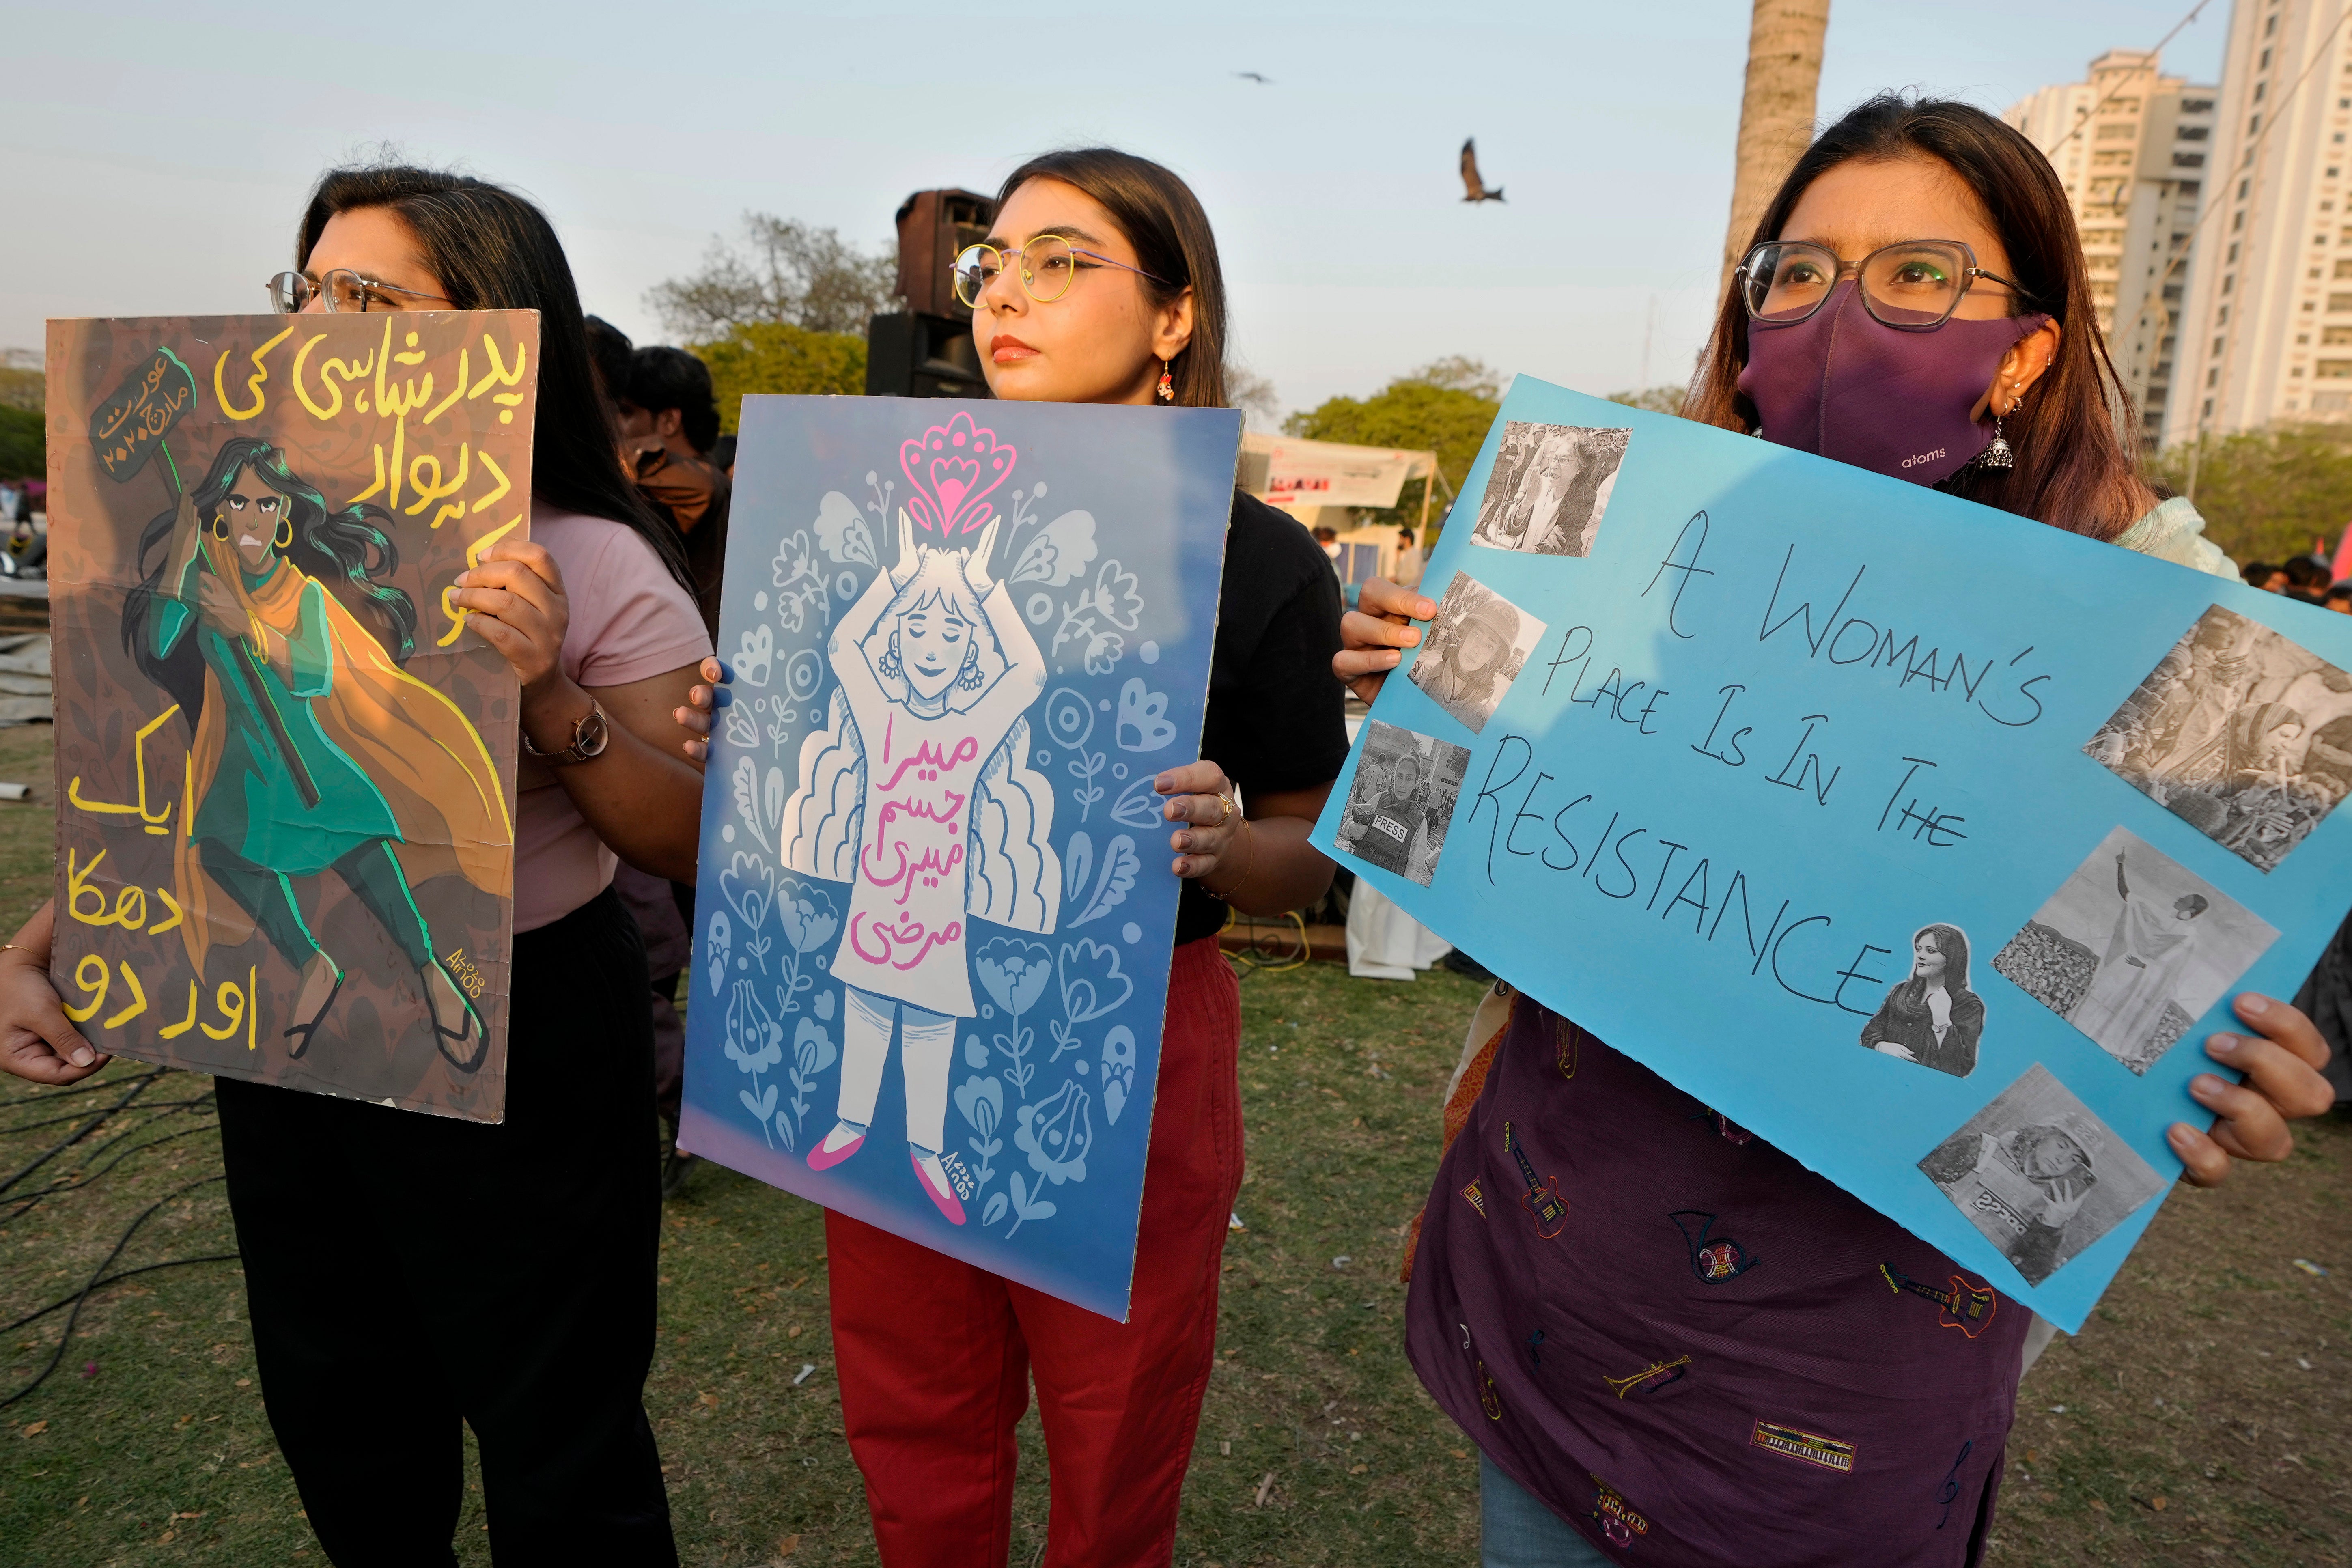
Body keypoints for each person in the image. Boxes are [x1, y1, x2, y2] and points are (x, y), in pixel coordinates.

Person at [1335, 95, 2335, 1568]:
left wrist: (2202, 1065)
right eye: (1796, 273)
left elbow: (2150, 990)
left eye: (1918, 274)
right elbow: (1488, 834)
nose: (1842, 317)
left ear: (2027, 347)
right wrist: (1426, 687)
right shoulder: (1643, 524)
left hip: (1837, 1397)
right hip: (1551, 1283)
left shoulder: (2178, 621)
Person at [1, 164, 713, 1565]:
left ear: (491, 328)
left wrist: (546, 691)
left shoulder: (589, 556)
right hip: (293, 1033)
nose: (318, 325)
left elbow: (688, 832)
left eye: (371, 298)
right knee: (344, 1415)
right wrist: (48, 939)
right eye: (308, 288)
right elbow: (198, 772)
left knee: (560, 1436)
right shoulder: (240, 528)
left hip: (525, 1032)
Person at [682, 147, 1345, 1567]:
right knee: (911, 1402)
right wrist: (732, 723)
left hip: (1130, 1045)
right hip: (878, 970)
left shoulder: (1260, 557)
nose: (1005, 294)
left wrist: (1231, 846)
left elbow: (1312, 847)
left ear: (1174, 315)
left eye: (1062, 261)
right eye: (992, 263)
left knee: (1117, 1422)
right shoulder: (859, 518)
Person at [125, 436, 504, 1062]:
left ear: (283, 514)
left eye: (266, 503)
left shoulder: (301, 591)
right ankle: (312, 965)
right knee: (221, 852)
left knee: (360, 852)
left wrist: (247, 626)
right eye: (239, 502)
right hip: (246, 764)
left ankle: (433, 973)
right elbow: (161, 643)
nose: (252, 516)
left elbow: (314, 673)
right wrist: (182, 559)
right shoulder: (206, 579)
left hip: (308, 755)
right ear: (221, 512)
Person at [618, 345, 732, 642]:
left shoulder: (701, 485)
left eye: (626, 413)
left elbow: (705, 486)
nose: (615, 424)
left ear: (669, 420)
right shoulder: (659, 484)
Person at [2070, 852, 2206, 1066]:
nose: (2179, 899)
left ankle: (2104, 1044)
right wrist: (2120, 865)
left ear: (2191, 910)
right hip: (2129, 963)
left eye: (2185, 900)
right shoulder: (2158, 915)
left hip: (2143, 973)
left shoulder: (2188, 935)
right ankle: (2081, 1030)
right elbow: (2128, 895)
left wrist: (2144, 965)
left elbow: (2170, 965)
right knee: (2102, 993)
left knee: (2121, 1004)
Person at [1859, 923, 1984, 1077]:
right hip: (1882, 1072)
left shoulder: (1967, 1004)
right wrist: (1882, 1047)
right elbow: (1871, 1032)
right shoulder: (1902, 991)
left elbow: (1961, 1067)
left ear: (1951, 958)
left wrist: (1943, 1021)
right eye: (1919, 949)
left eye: (1931, 951)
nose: (1920, 955)